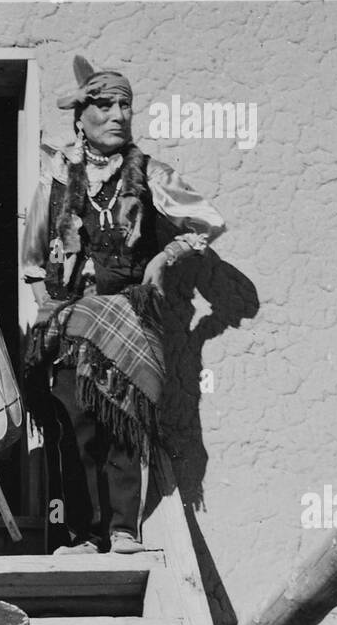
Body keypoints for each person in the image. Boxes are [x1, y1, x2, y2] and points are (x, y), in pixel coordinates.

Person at [22, 56, 225, 554]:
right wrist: (50, 318)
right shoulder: (57, 176)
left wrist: (168, 256)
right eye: (106, 105)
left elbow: (208, 221)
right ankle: (83, 535)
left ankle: (123, 529)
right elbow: (33, 259)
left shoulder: (150, 173)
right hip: (73, 324)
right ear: (80, 116)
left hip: (129, 320)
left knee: (125, 427)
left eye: (125, 105)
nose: (118, 115)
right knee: (76, 429)